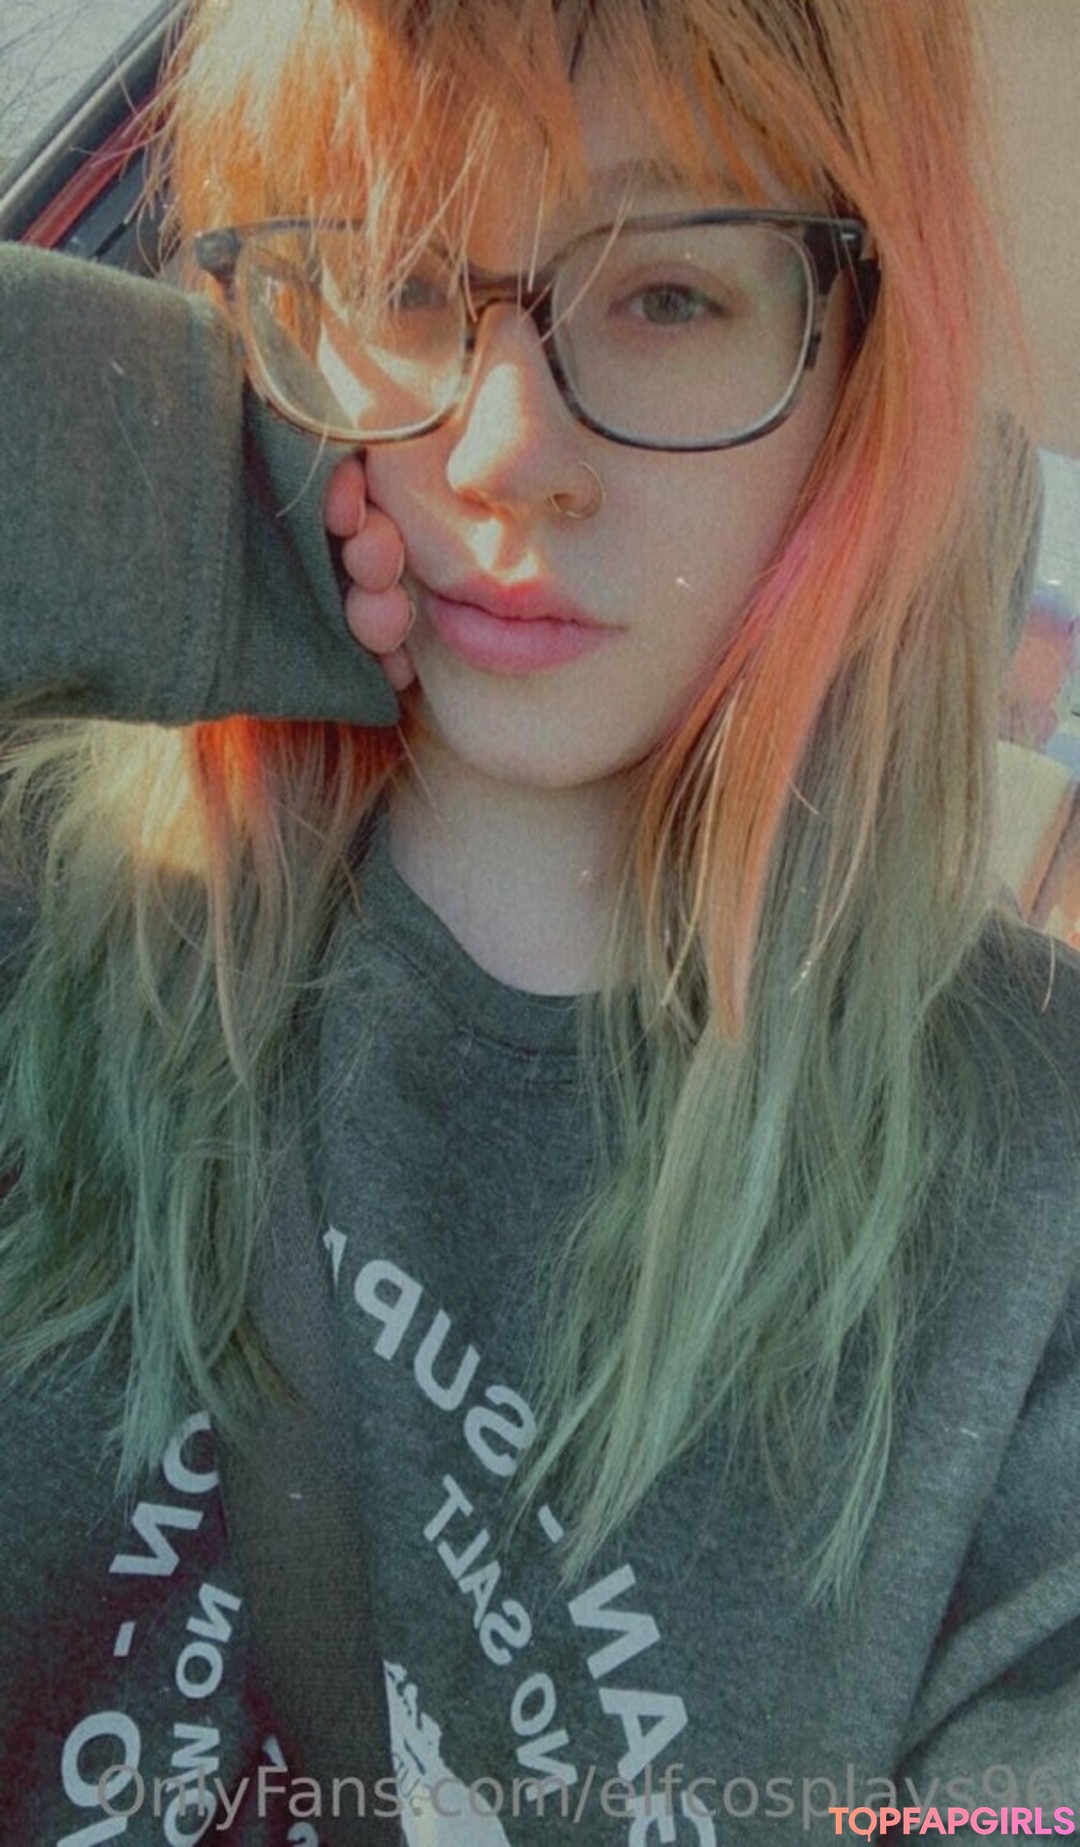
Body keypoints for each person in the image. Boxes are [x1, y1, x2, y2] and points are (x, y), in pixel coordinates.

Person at [0, 1, 1077, 1843]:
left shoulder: (1032, 1183)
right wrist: (157, 505)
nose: (507, 450)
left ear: (862, 367)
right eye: (397, 277)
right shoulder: (49, 903)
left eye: (668, 295)